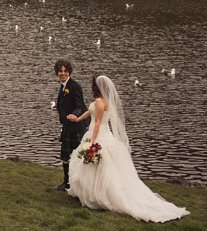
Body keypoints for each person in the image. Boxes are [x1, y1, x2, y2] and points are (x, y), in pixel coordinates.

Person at [67, 75, 189, 222]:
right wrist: (78, 118)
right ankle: (90, 193)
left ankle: (99, 196)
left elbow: (98, 122)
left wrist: (92, 142)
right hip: (99, 133)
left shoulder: (100, 102)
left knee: (99, 166)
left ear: (96, 87)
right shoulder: (103, 101)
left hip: (98, 135)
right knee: (96, 166)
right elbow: (91, 112)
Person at [54, 59, 88, 191]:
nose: (62, 73)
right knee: (65, 156)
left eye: (65, 71)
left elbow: (80, 105)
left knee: (78, 156)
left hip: (76, 127)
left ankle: (80, 184)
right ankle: (67, 182)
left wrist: (75, 114)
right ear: (57, 72)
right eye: (60, 71)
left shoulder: (74, 86)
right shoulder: (63, 86)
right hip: (67, 127)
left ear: (69, 72)